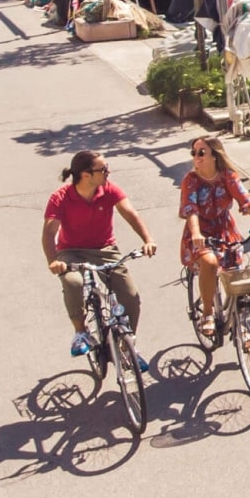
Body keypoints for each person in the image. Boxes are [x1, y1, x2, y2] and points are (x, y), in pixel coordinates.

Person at [42, 151, 157, 363]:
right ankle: (81, 332)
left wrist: (147, 239)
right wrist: (54, 261)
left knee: (130, 296)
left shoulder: (109, 189)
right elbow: (49, 233)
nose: (108, 172)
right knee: (73, 283)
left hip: (105, 248)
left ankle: (127, 346)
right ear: (86, 175)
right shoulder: (61, 197)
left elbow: (130, 214)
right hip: (71, 251)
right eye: (103, 169)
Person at [179, 136, 250, 337]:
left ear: (215, 155)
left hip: (225, 230)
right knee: (210, 263)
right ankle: (207, 312)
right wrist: (195, 233)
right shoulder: (191, 180)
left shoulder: (227, 176)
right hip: (200, 233)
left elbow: (244, 199)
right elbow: (190, 209)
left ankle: (242, 326)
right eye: (194, 153)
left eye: (201, 152)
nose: (197, 157)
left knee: (238, 278)